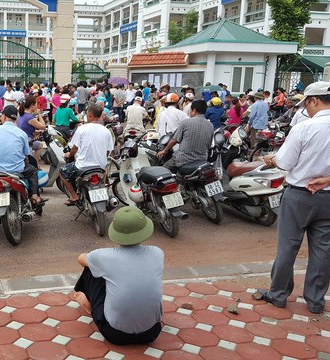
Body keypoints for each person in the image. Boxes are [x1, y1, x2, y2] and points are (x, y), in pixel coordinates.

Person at [258, 82, 330, 314]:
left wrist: (270, 159)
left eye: (306, 102)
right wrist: (329, 180)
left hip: (299, 196)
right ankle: (316, 301)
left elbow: (284, 163)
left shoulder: (304, 128)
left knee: (288, 247)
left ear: (314, 100)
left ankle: (278, 295)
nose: (305, 108)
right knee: (322, 249)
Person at [72, 206, 163, 345]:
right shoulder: (157, 253)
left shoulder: (104, 256)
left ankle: (89, 304)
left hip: (115, 335)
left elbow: (81, 259)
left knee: (90, 268)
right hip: (152, 332)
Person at [0, 105, 41, 227]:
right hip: (17, 171)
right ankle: (34, 195)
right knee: (32, 171)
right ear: (15, 119)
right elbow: (26, 154)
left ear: (3, 117)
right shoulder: (21, 134)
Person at [59, 104, 113, 206]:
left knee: (62, 171)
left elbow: (74, 149)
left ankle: (74, 196)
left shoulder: (82, 129)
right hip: (100, 166)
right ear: (101, 116)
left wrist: (68, 155)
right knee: (105, 177)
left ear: (89, 115)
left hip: (83, 166)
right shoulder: (106, 131)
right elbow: (108, 151)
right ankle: (105, 192)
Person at [157, 100, 214, 172]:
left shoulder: (186, 123)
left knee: (163, 170)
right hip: (201, 160)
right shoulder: (210, 125)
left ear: (194, 110)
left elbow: (174, 140)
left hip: (183, 159)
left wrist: (164, 151)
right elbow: (208, 145)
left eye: (190, 110)